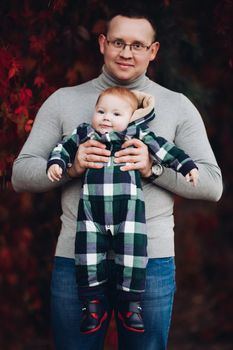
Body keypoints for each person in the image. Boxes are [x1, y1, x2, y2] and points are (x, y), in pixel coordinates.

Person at [11, 6, 222, 350]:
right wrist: (72, 167)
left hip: (150, 260)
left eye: (138, 45)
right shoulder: (64, 101)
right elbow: (21, 174)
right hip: (74, 259)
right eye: (118, 42)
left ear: (153, 51)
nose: (127, 52)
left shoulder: (177, 106)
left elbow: (212, 184)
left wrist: (151, 169)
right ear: (102, 44)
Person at [46, 86, 199, 335]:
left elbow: (166, 150)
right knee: (86, 256)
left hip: (128, 215)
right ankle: (92, 305)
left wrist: (186, 166)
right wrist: (58, 163)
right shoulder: (85, 134)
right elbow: (63, 147)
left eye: (116, 114)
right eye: (102, 111)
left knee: (133, 256)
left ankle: (131, 305)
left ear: (131, 118)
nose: (107, 117)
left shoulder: (136, 135)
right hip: (91, 215)